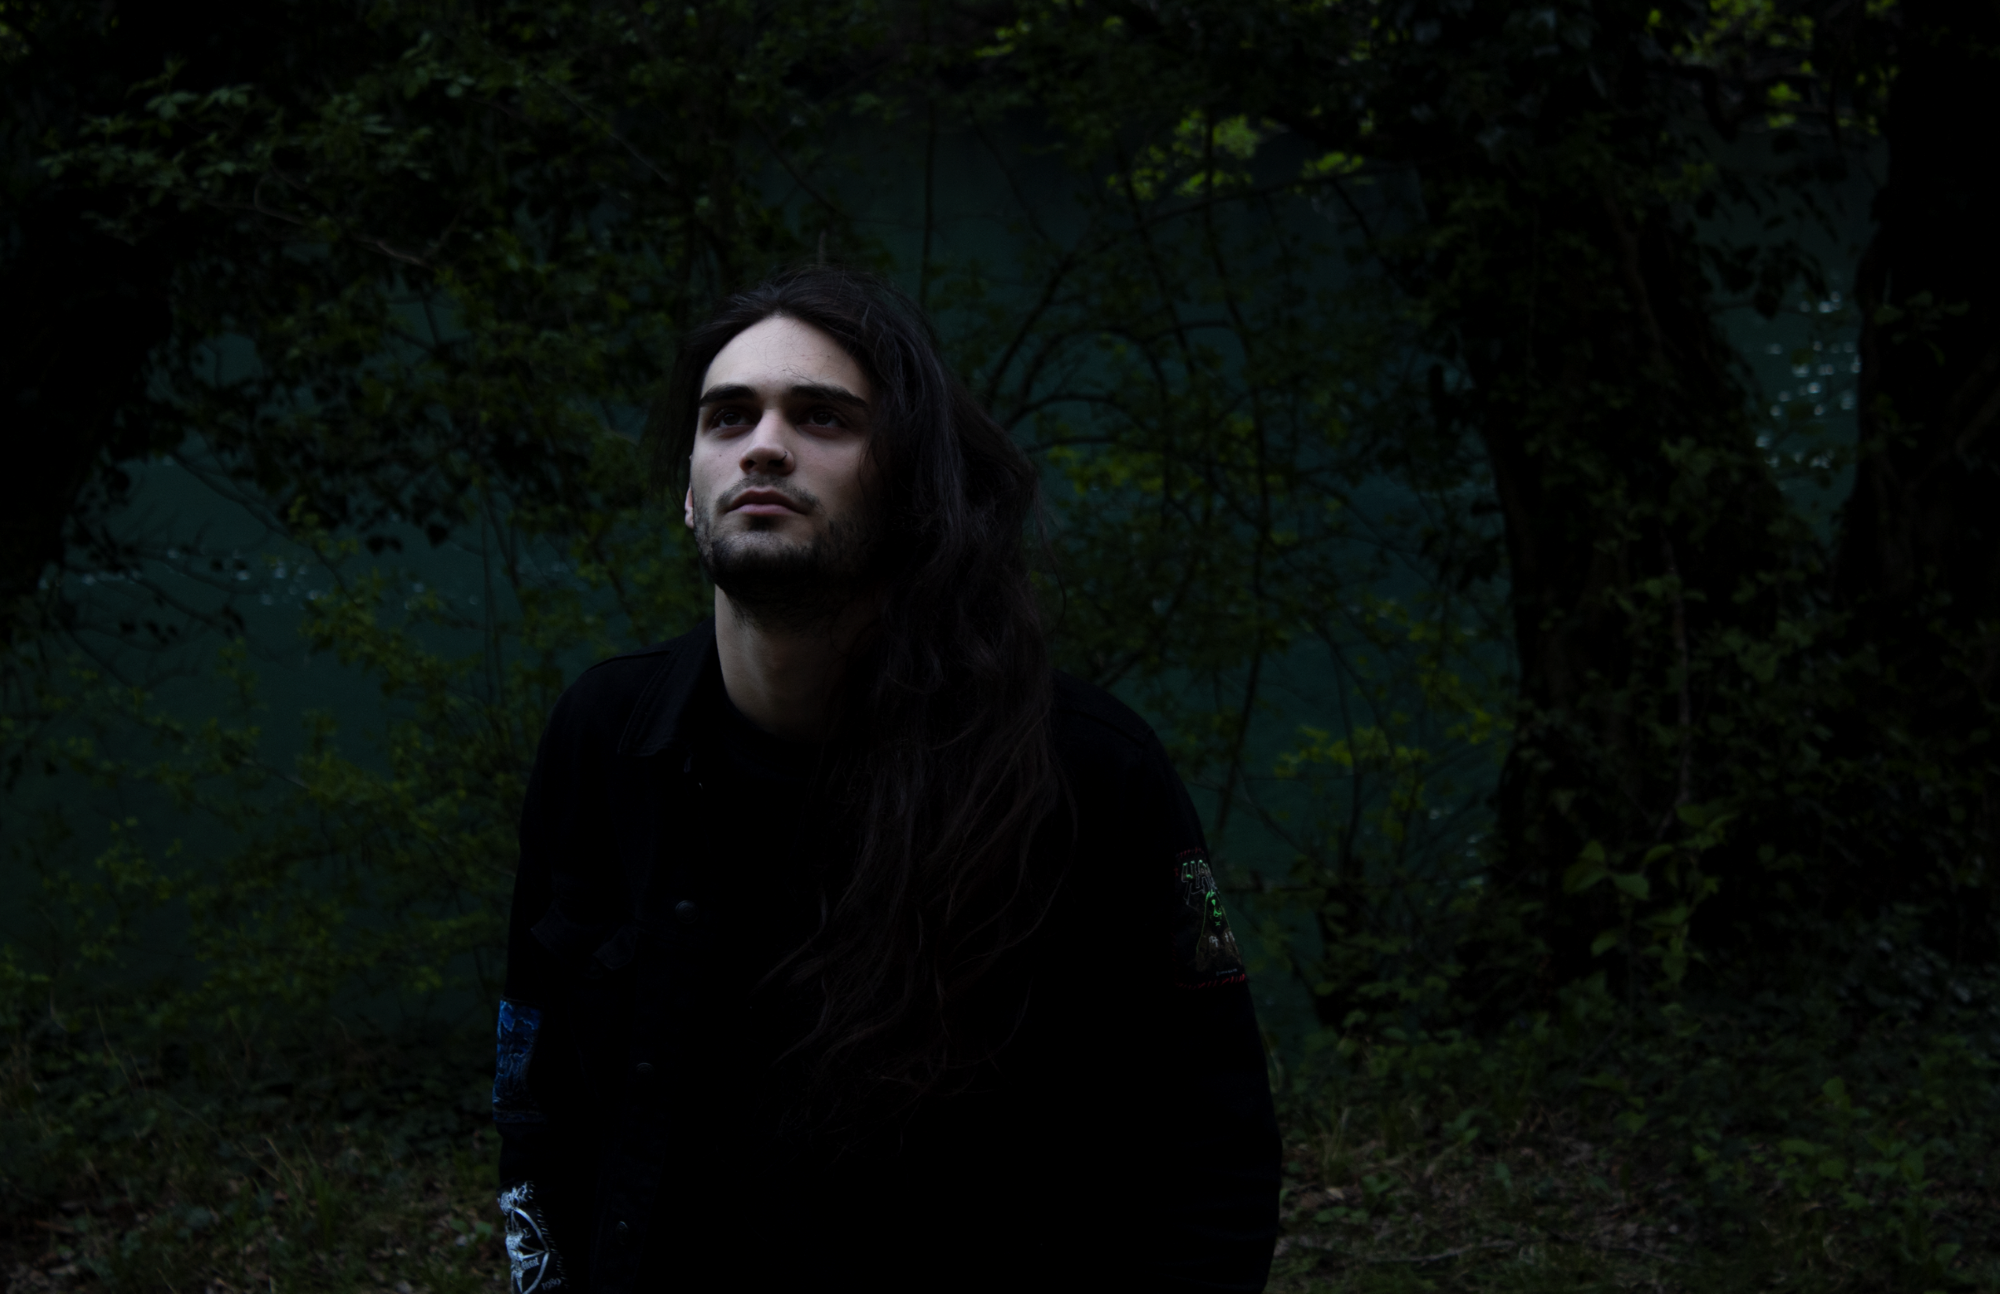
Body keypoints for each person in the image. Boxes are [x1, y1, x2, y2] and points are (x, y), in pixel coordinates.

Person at [492, 266, 1280, 1293]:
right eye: (728, 416)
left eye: (821, 416)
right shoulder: (604, 737)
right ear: (688, 493)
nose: (763, 445)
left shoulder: (1089, 769)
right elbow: (530, 1077)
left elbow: (1213, 1146)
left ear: (912, 488)